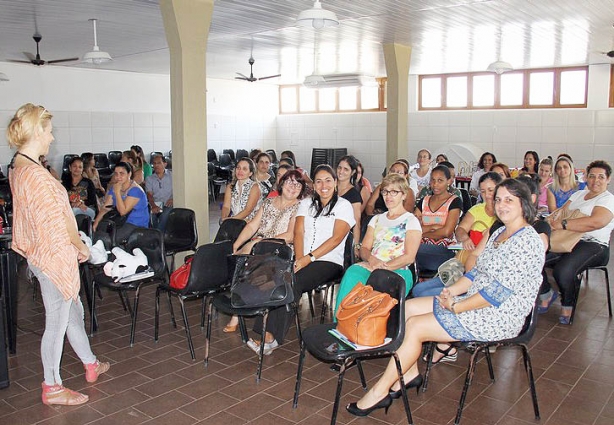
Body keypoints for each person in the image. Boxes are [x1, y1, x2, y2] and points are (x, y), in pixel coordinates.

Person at [346, 179, 545, 418]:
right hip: (474, 301)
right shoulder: (500, 231)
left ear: (524, 204)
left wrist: (458, 306)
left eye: (508, 200)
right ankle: (409, 374)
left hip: (498, 316)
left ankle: (380, 391)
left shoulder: (527, 241)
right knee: (407, 309)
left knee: (416, 327)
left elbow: (496, 294)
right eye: (498, 199)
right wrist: (453, 290)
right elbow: (474, 274)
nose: (501, 205)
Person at [7, 103, 109, 406]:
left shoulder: (18, 166)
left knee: (71, 311)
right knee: (57, 321)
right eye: (49, 131)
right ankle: (51, 385)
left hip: (43, 252)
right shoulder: (36, 176)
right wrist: (81, 248)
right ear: (37, 131)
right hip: (53, 255)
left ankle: (90, 363)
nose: (52, 138)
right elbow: (59, 220)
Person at [247, 165, 355, 355]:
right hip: (303, 256)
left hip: (329, 261)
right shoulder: (306, 203)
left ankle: (270, 337)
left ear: (335, 183)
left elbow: (337, 238)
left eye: (328, 180)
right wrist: (300, 257)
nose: (323, 185)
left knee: (292, 281)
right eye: (319, 181)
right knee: (277, 276)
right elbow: (298, 232)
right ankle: (264, 329)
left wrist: (309, 259)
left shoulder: (343, 206)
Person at [224, 170, 306, 333]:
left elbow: (290, 236)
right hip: (257, 246)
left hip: (281, 250)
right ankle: (240, 303)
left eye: (298, 184)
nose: (293, 186)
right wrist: (238, 244)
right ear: (281, 184)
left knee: (252, 263)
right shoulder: (269, 202)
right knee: (236, 259)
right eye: (289, 182)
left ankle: (242, 310)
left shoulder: (300, 207)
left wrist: (259, 242)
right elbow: (253, 226)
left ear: (302, 189)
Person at [334, 174, 421, 314]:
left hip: (398, 269)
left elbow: (409, 257)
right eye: (385, 191)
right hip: (372, 265)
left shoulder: (411, 221)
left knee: (379, 281)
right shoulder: (376, 219)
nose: (388, 196)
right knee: (352, 273)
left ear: (404, 195)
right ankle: (341, 322)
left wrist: (382, 267)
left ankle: (368, 327)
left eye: (394, 192)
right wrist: (372, 259)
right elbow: (364, 249)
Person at [543, 160, 614, 324]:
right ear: (586, 178)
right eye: (592, 176)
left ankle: (568, 304)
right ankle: (546, 292)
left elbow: (596, 222)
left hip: (595, 245)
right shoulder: (579, 194)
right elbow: (561, 213)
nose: (596, 180)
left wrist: (564, 224)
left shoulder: (608, 199)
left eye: (601, 177)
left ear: (608, 179)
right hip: (567, 239)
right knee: (534, 259)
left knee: (563, 271)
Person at [412, 172, 502, 297]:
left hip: (479, 270)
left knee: (423, 294)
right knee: (418, 290)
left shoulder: (503, 216)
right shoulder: (477, 210)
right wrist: (465, 238)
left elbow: (446, 231)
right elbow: (460, 230)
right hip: (461, 266)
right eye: (483, 191)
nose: (487, 195)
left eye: (490, 190)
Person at [414, 165, 463, 272]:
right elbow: (414, 227)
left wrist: (422, 234)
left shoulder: (454, 201)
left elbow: (447, 232)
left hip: (444, 249)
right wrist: (434, 227)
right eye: (433, 180)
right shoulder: (424, 201)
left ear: (449, 181)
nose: (435, 184)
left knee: (411, 248)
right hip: (420, 248)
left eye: (440, 180)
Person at [93, 161, 149, 244]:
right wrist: (96, 222)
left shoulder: (135, 190)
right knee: (98, 234)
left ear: (129, 174)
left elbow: (123, 212)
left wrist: (117, 192)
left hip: (135, 224)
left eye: (121, 173)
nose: (118, 177)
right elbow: (106, 207)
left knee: (110, 240)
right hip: (119, 221)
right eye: (116, 174)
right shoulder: (115, 187)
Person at [220, 157, 261, 222]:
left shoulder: (255, 187)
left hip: (250, 223)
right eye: (238, 168)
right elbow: (226, 207)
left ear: (250, 173)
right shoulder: (230, 186)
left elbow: (248, 210)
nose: (240, 171)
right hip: (234, 221)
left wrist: (231, 220)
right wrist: (224, 218)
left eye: (244, 169)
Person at [336, 155, 362, 252]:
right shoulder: (329, 188)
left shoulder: (354, 195)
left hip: (343, 236)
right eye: (339, 168)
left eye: (346, 169)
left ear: (353, 172)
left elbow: (356, 222)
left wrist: (356, 246)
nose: (341, 171)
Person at [145, 154, 173, 231]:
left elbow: (179, 190)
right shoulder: (149, 179)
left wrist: (173, 199)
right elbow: (149, 194)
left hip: (168, 203)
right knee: (151, 217)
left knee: (164, 215)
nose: (156, 165)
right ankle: (157, 235)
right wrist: (153, 205)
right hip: (157, 203)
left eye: (159, 163)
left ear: (165, 164)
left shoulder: (172, 176)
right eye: (154, 163)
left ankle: (158, 235)